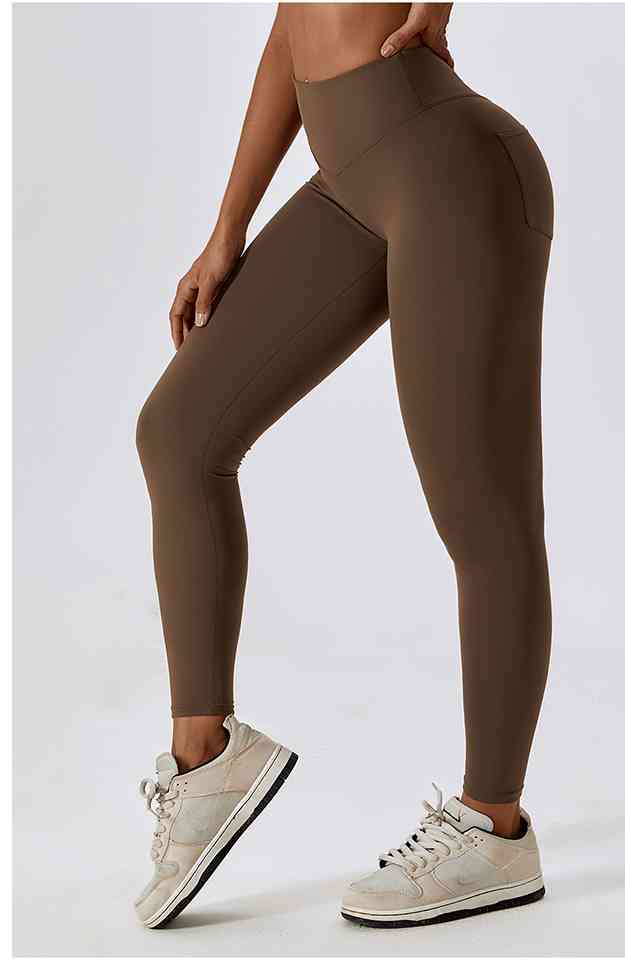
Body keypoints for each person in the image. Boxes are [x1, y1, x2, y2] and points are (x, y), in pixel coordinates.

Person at [135, 2, 553, 929]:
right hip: (349, 178)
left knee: (482, 510)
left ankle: (493, 824)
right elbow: (293, 25)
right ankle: (206, 760)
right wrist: (228, 227)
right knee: (180, 433)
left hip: (454, 167)